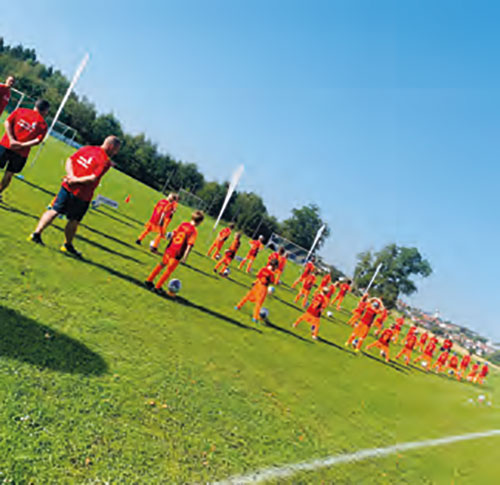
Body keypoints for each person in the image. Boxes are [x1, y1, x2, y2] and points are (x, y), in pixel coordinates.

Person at [28, 136, 121, 257]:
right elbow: (93, 178)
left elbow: (69, 160)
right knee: (74, 220)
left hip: (67, 186)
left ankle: (36, 234)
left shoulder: (88, 148)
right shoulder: (105, 161)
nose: (116, 153)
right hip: (82, 195)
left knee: (54, 210)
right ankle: (67, 245)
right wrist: (75, 180)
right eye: (116, 149)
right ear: (111, 146)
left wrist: (70, 176)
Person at [145, 210, 205, 295]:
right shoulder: (194, 231)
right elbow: (189, 245)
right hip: (177, 253)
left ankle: (149, 280)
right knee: (168, 270)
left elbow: (173, 233)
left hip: (170, 248)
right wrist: (184, 258)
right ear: (200, 222)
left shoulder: (183, 224)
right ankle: (157, 287)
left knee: (161, 264)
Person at [0, 98, 49, 201]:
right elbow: (37, 140)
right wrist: (21, 145)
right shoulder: (43, 124)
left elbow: (7, 122)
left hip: (5, 144)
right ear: (45, 111)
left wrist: (11, 139)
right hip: (21, 153)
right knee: (9, 175)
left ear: (35, 105)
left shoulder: (20, 110)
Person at [235, 259, 278, 323]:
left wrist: (255, 282)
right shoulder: (271, 273)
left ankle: (238, 306)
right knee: (259, 303)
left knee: (248, 296)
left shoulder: (263, 269)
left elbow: (258, 276)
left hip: (257, 284)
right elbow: (272, 281)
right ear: (275, 266)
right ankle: (255, 318)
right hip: (263, 287)